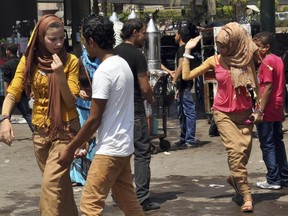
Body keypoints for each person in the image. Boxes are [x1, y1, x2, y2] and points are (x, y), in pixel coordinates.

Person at [57, 14, 144, 216]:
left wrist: (71, 148)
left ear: (92, 41)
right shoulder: (121, 64)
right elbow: (111, 112)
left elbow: (94, 118)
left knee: (89, 205)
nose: (84, 47)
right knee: (128, 201)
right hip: (123, 144)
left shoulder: (104, 71)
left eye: (84, 41)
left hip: (110, 149)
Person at [0, 14, 81, 216]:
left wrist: (60, 76)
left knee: (50, 185)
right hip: (40, 134)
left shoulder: (70, 61)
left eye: (61, 38)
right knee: (59, 186)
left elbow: (71, 101)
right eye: (52, 39)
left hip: (65, 131)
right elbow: (13, 92)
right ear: (40, 38)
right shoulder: (29, 61)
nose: (58, 43)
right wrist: (5, 118)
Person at [182, 22, 262, 212]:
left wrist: (258, 109)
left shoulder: (246, 58)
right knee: (235, 151)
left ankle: (235, 178)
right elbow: (187, 76)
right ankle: (247, 195)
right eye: (219, 45)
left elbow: (256, 86)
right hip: (223, 113)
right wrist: (187, 51)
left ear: (235, 43)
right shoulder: (214, 60)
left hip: (245, 114)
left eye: (224, 45)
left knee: (242, 155)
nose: (220, 49)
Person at [114, 18, 160, 211]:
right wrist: (151, 98)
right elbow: (144, 86)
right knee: (142, 153)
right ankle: (142, 198)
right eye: (142, 33)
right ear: (134, 33)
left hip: (117, 111)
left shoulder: (114, 53)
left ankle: (119, 195)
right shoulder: (137, 55)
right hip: (135, 110)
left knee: (120, 153)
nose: (144, 37)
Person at [252, 31, 288, 190]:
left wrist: (259, 110)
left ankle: (273, 179)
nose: (255, 49)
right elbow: (282, 85)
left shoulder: (266, 62)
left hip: (268, 108)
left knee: (267, 144)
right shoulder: (278, 60)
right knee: (277, 142)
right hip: (277, 106)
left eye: (257, 47)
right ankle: (284, 176)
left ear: (266, 47)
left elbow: (268, 87)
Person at [70, 47, 100, 186]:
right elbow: (71, 81)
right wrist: (79, 90)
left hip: (98, 106)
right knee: (80, 139)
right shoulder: (78, 62)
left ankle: (95, 173)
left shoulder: (104, 61)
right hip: (82, 107)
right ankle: (77, 176)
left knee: (96, 141)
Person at [172, 26, 198, 148]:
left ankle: (190, 139)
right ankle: (184, 137)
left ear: (180, 36)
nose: (174, 37)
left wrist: (174, 79)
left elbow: (181, 65)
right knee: (182, 112)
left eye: (176, 34)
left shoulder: (182, 49)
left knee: (188, 111)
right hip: (183, 86)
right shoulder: (184, 48)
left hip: (185, 85)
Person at [2, 44, 34, 132]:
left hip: (12, 93)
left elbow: (6, 81)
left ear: (8, 51)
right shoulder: (22, 62)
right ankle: (36, 131)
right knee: (27, 114)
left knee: (6, 115)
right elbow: (28, 77)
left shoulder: (7, 64)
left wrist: (6, 95)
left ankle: (4, 132)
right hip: (22, 92)